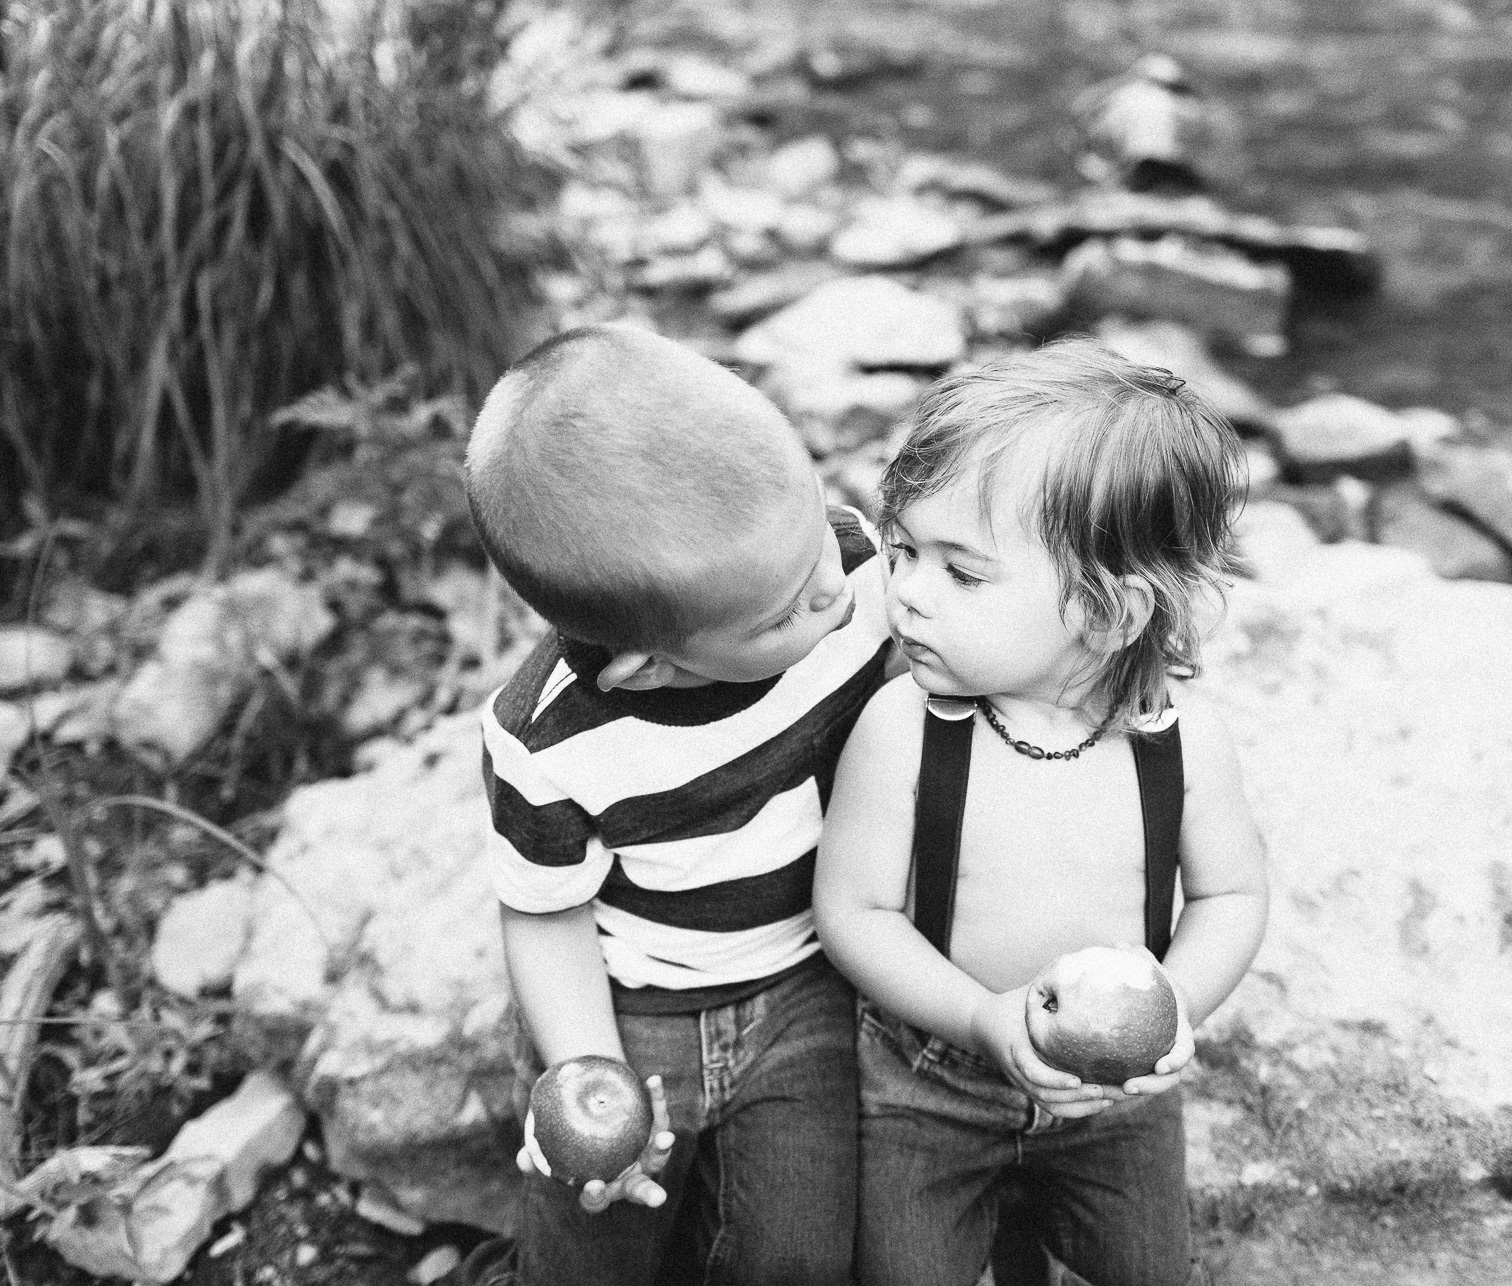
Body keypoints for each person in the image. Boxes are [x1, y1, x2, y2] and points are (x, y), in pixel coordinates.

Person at [814, 337, 1269, 1286]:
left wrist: (1177, 1003)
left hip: (1118, 1105)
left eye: (962, 573)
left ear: (1108, 617)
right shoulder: (906, 731)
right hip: (929, 1085)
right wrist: (982, 1019)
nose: (905, 593)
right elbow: (854, 913)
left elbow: (1229, 897)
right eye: (903, 552)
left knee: (1146, 1273)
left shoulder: (1177, 745)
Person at [463, 323, 894, 1286]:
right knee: (598, 1239)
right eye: (782, 613)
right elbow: (545, 914)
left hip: (806, 994)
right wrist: (587, 1071)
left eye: (821, 524)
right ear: (647, 666)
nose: (832, 589)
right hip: (639, 1011)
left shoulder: (855, 574)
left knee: (796, 1255)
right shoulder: (552, 743)